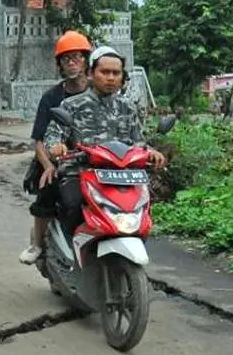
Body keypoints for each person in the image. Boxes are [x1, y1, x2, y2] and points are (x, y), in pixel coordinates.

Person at [45, 46, 167, 233]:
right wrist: (56, 146)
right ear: (91, 74)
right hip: (81, 172)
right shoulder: (72, 105)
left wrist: (150, 151)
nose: (111, 77)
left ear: (122, 77)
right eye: (105, 72)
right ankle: (73, 249)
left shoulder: (127, 107)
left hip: (122, 175)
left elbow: (138, 141)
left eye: (116, 73)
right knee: (73, 205)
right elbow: (53, 135)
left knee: (142, 210)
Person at [19, 30, 92, 265]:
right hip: (58, 158)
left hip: (92, 158)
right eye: (66, 58)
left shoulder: (97, 93)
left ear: (86, 61)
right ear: (60, 64)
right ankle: (37, 243)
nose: (71, 62)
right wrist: (48, 164)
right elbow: (38, 140)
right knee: (46, 187)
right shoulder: (52, 97)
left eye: (77, 57)